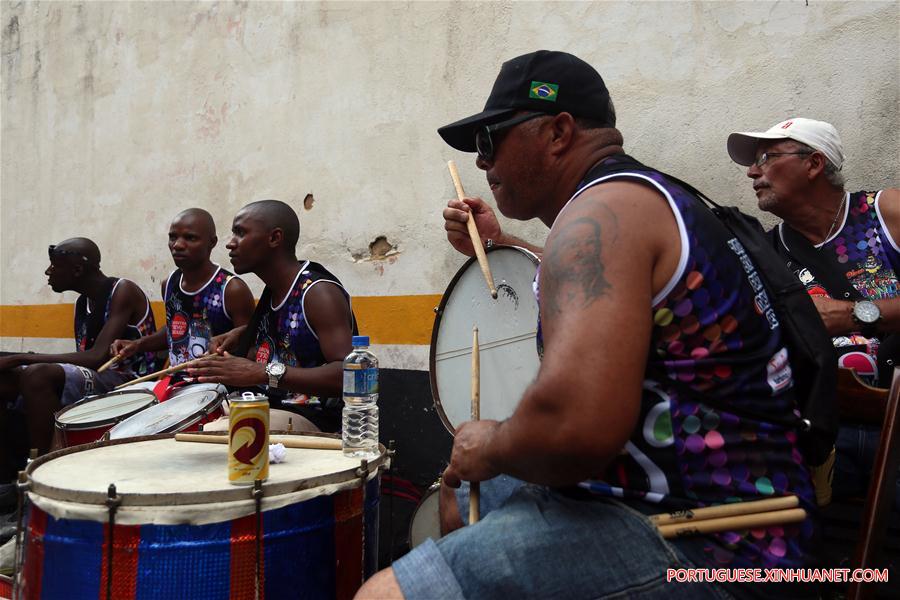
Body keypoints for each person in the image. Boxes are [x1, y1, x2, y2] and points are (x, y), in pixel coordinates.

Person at [358, 51, 817, 600]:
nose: (482, 164)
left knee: (383, 593)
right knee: (458, 495)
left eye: (490, 141)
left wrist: (490, 443)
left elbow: (574, 426)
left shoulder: (598, 215)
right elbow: (601, 283)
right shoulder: (645, 197)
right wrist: (503, 244)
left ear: (557, 132)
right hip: (712, 501)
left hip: (714, 542)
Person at [727, 118, 900, 506]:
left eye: (766, 157)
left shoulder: (883, 212)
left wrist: (854, 314)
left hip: (895, 420)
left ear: (814, 163)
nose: (753, 172)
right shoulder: (764, 254)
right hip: (819, 434)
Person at [188, 200, 357, 432]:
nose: (230, 244)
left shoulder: (318, 292)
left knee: (220, 431)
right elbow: (292, 348)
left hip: (319, 419)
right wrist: (240, 337)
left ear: (274, 238)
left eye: (240, 233)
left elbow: (348, 374)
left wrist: (262, 372)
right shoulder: (274, 290)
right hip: (273, 406)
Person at [0, 238, 159, 480]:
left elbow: (95, 358)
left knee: (37, 374)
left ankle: (47, 473)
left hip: (130, 382)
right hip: (98, 377)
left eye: (55, 266)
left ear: (77, 270)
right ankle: (10, 476)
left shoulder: (122, 291)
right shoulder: (83, 303)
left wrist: (22, 358)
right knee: (6, 379)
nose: (48, 271)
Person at [109, 208, 255, 378]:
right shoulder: (169, 284)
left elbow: (248, 346)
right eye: (173, 237)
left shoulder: (231, 289)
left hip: (217, 387)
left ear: (212, 242)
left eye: (190, 238)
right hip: (177, 384)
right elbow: (175, 332)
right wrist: (137, 344)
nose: (177, 245)